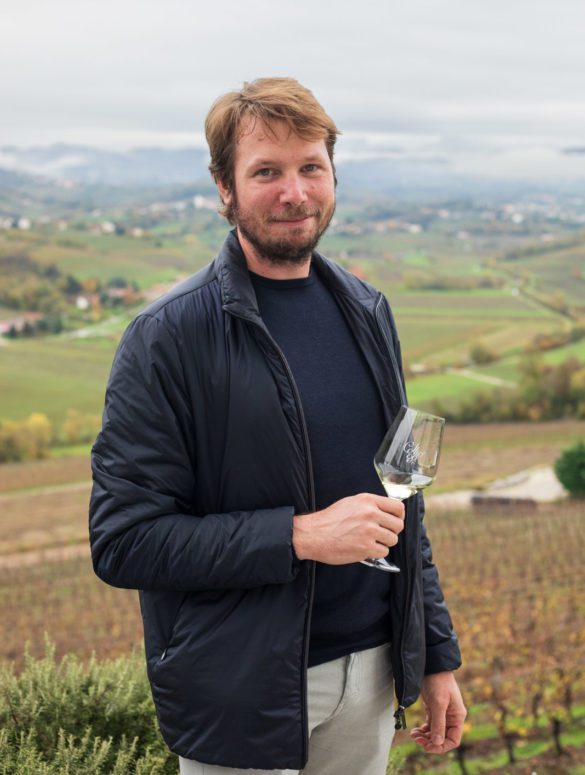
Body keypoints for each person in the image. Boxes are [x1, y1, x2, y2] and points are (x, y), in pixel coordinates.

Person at [89, 77, 466, 775]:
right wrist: (298, 535)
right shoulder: (166, 338)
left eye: (309, 167)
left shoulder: (366, 309)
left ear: (331, 174)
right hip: (244, 691)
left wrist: (434, 653)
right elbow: (123, 541)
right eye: (266, 171)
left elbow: (405, 499)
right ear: (224, 187)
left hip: (374, 677)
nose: (293, 192)